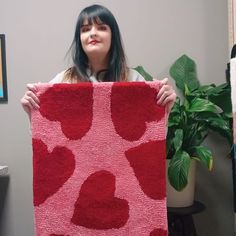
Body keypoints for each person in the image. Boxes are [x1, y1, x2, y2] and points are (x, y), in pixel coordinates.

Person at [21, 4, 176, 116]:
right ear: (79, 38)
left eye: (101, 28)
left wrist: (164, 108)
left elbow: (149, 140)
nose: (93, 33)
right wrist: (32, 110)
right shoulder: (62, 81)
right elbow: (48, 137)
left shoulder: (134, 79)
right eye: (85, 29)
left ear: (112, 36)